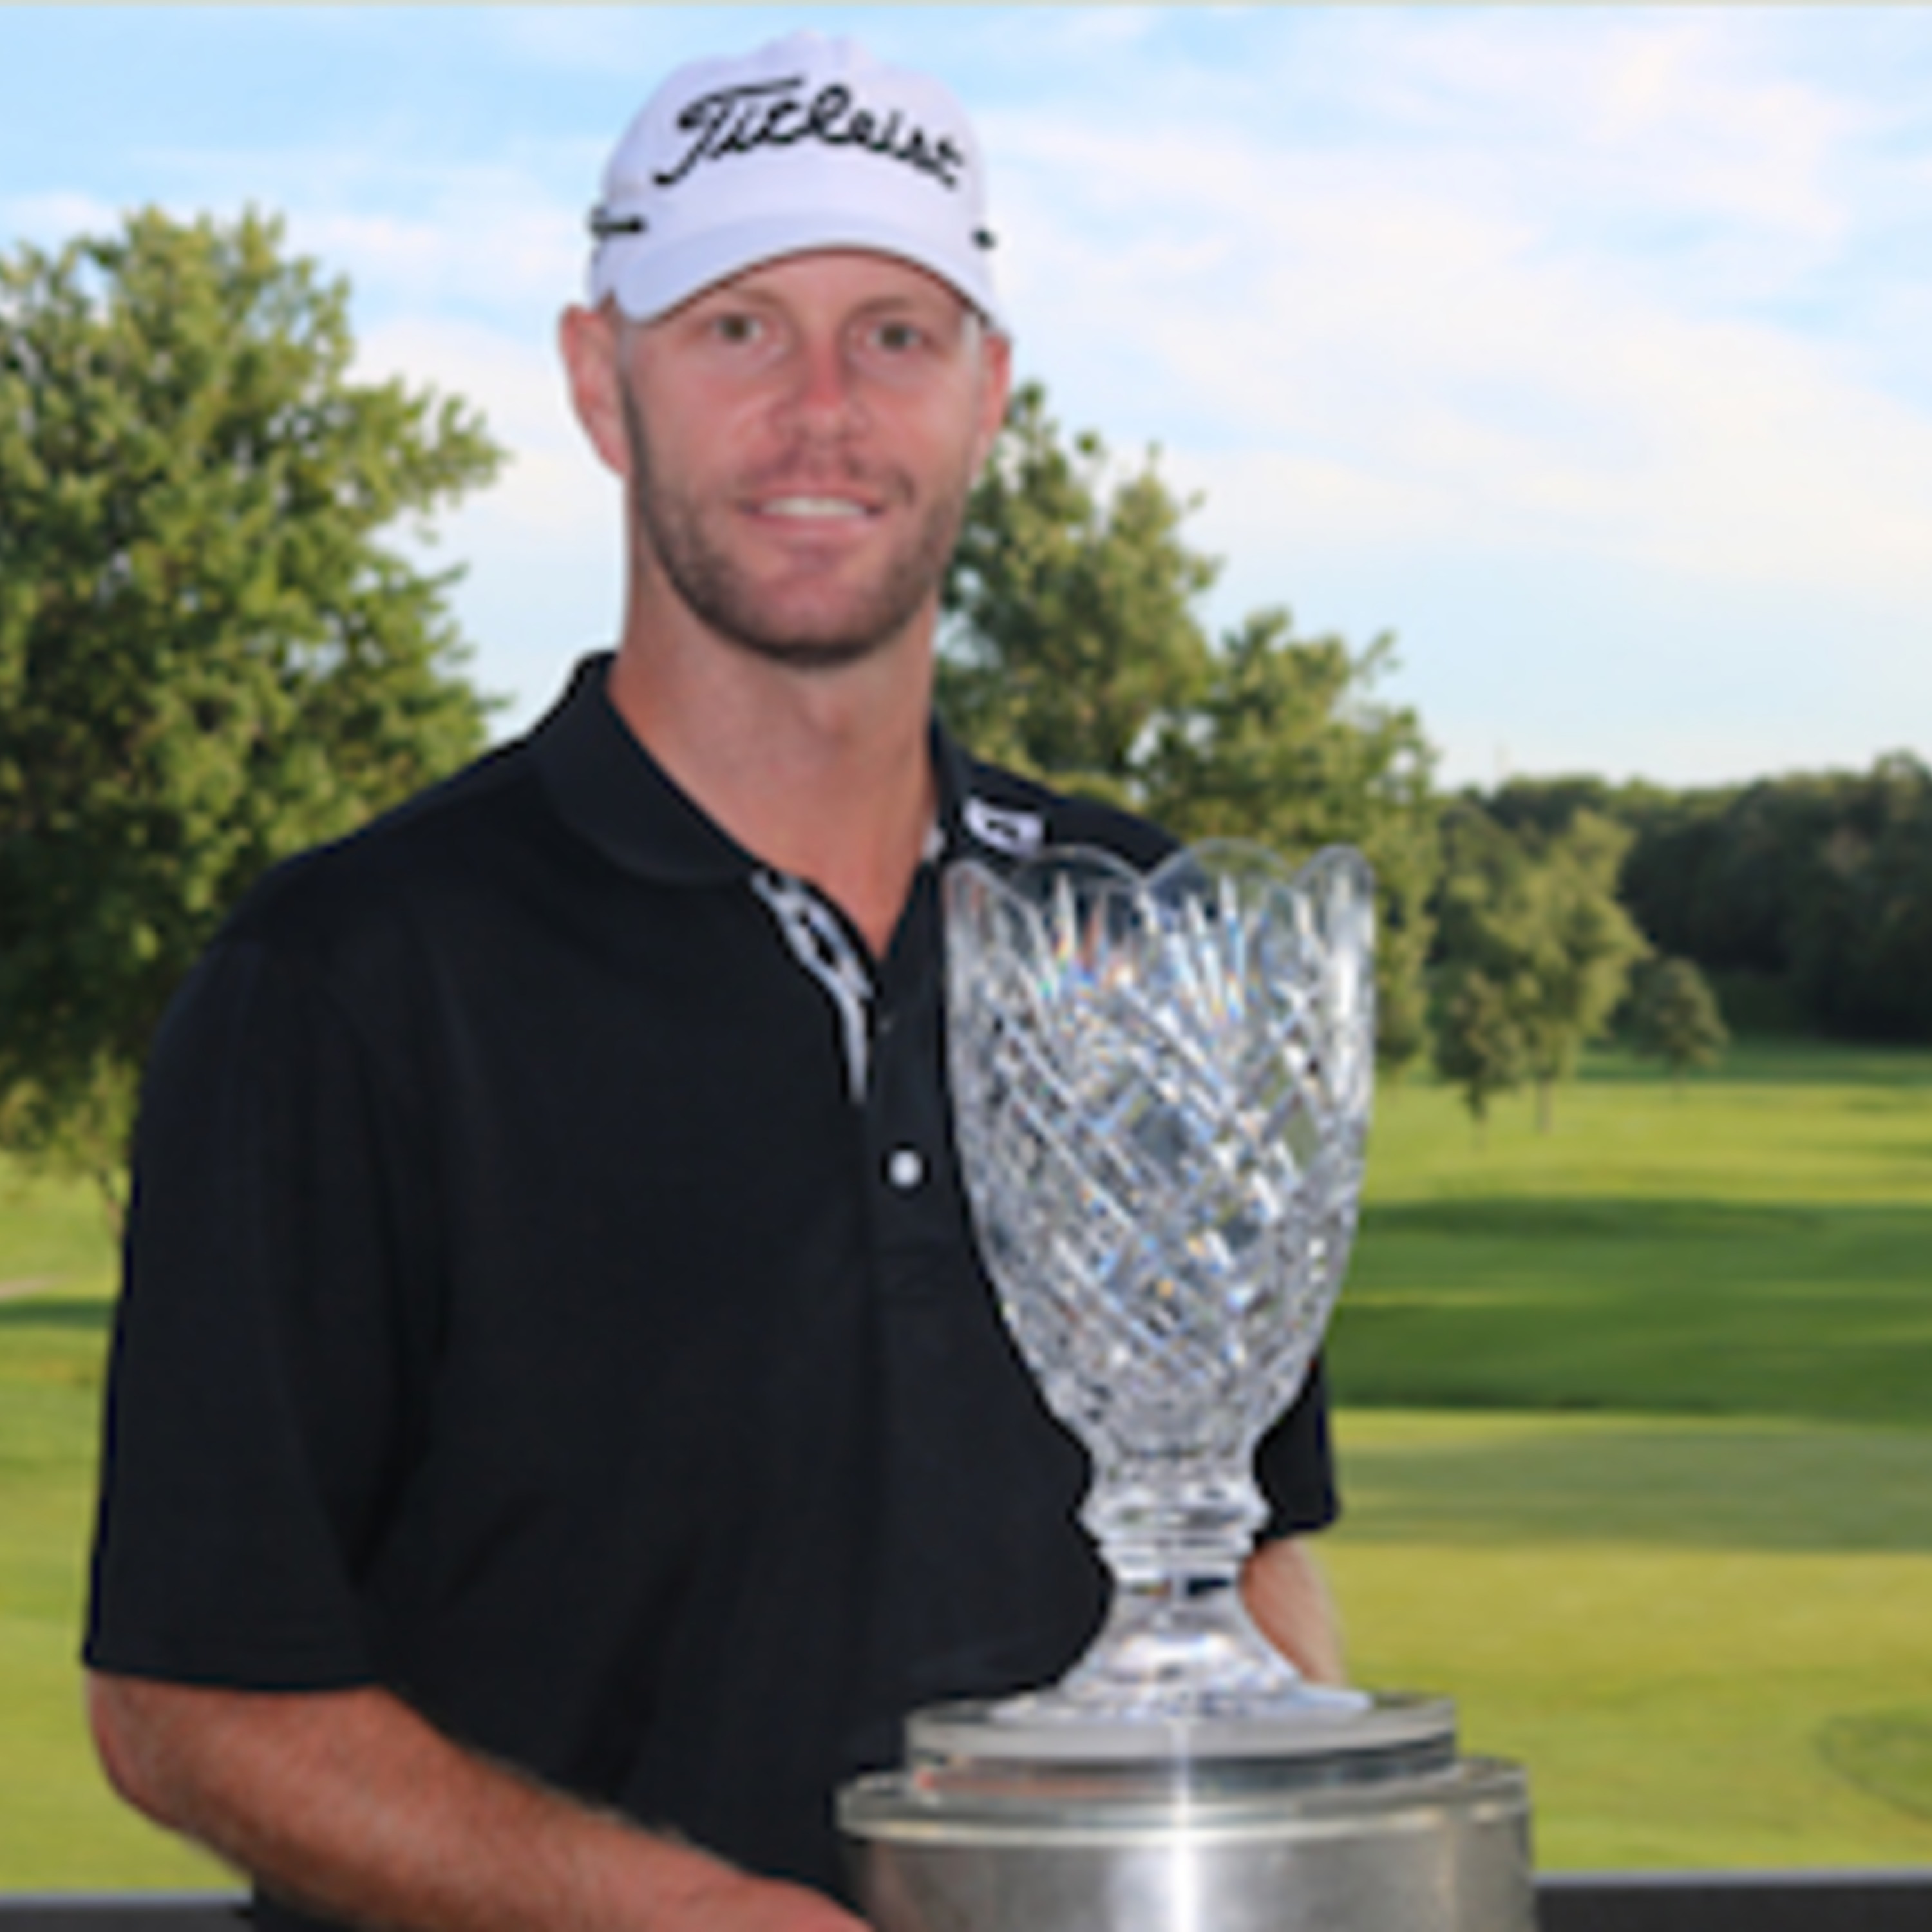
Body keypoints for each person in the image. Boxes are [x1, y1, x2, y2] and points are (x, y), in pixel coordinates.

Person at [83, 32, 1345, 1932]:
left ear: (988, 394)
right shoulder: (348, 979)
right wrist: (678, 1919)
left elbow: (1244, 1570)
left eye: (896, 335)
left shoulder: (1140, 932)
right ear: (604, 381)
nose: (823, 408)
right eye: (739, 328)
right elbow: (187, 1702)